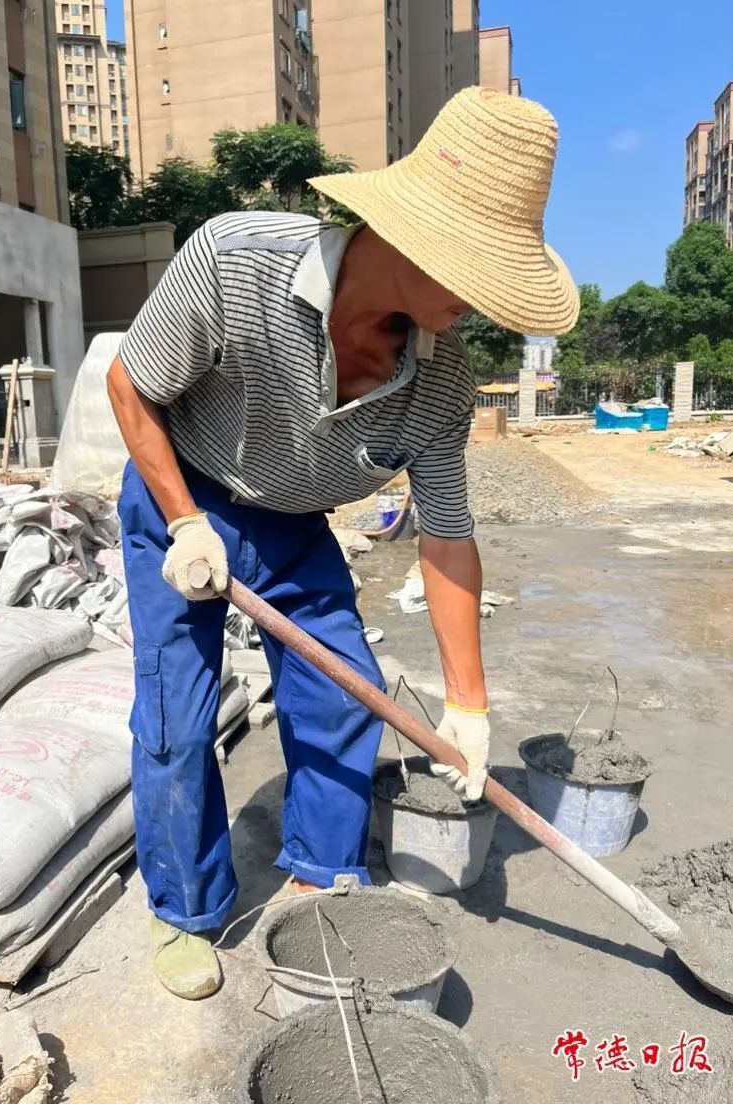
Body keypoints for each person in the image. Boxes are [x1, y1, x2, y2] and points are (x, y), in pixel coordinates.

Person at [107, 86, 579, 1000]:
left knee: (340, 692)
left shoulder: (439, 383)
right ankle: (187, 911)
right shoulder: (234, 265)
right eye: (476, 271)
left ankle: (322, 874)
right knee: (175, 718)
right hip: (183, 492)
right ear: (414, 237)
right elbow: (133, 388)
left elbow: (445, 537)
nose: (483, 303)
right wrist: (184, 520)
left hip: (293, 526)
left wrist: (469, 707)